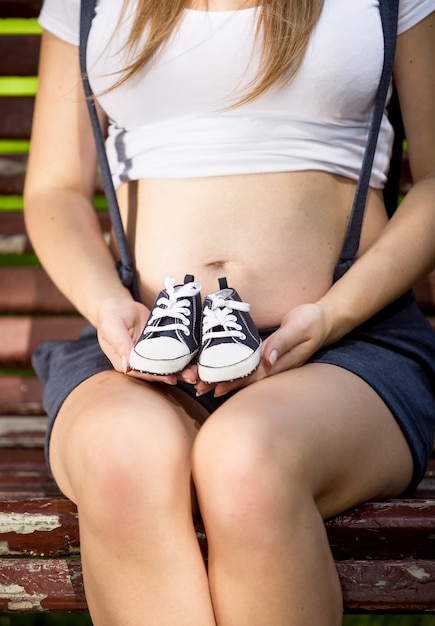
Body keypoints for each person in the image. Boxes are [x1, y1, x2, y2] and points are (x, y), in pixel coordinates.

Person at [24, 0, 435, 624]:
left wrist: (332, 316)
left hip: (344, 348)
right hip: (146, 343)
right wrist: (108, 304)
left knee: (247, 459)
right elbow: (55, 188)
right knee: (122, 456)